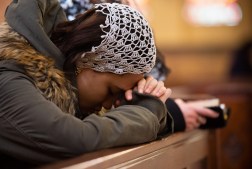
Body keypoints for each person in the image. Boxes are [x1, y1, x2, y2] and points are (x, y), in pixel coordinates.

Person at [0, 1, 173, 168]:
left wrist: (143, 102)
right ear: (85, 60)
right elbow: (73, 141)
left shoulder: (68, 89)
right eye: (112, 91)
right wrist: (146, 112)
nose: (110, 103)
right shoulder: (5, 79)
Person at [59, 0, 219, 132]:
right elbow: (83, 137)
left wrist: (144, 95)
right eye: (112, 91)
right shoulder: (62, 12)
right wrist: (167, 114)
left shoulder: (121, 13)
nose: (108, 105)